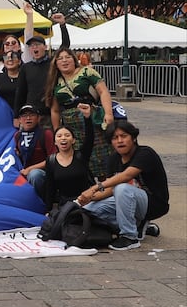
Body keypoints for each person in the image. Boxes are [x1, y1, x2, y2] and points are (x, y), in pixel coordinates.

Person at [80, 121, 169, 251]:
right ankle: (138, 225)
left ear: (133, 138)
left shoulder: (145, 153)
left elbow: (126, 176)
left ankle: (130, 237)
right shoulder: (113, 159)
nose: (120, 141)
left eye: (124, 136)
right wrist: (86, 199)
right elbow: (109, 190)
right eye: (115, 138)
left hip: (153, 204)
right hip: (126, 199)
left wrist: (93, 188)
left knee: (122, 188)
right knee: (89, 210)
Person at [45, 47, 114, 180]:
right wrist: (57, 131)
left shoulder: (87, 72)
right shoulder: (55, 81)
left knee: (100, 151)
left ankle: (107, 183)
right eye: (60, 58)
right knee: (79, 155)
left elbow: (103, 91)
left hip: (93, 120)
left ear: (74, 59)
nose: (64, 61)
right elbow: (54, 110)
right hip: (72, 126)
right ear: (56, 63)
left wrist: (108, 114)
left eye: (68, 57)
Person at [43, 103, 103, 213]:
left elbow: (90, 138)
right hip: (65, 206)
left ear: (73, 140)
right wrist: (48, 211)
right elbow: (50, 188)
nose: (63, 138)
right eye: (59, 136)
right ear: (55, 142)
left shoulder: (81, 155)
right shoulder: (51, 161)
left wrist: (87, 118)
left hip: (87, 202)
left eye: (67, 135)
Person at [14, 11, 71, 122]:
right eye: (31, 46)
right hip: (31, 114)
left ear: (45, 47)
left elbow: (65, 46)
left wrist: (62, 25)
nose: (34, 47)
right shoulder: (26, 67)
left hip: (51, 113)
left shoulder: (53, 63)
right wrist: (16, 116)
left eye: (37, 45)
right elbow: (20, 92)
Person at [15, 104, 55, 198]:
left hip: (42, 173)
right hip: (23, 172)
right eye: (24, 116)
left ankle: (39, 202)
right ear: (20, 120)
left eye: (32, 115)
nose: (28, 118)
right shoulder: (17, 136)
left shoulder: (46, 134)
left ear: (38, 118)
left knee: (34, 174)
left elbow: (53, 159)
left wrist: (30, 169)